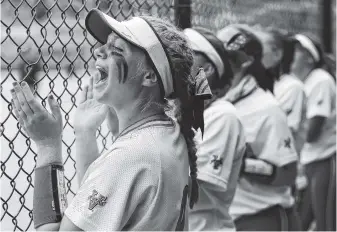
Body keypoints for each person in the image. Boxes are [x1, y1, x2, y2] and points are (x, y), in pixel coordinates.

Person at [10, 9, 213, 231]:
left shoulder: (133, 155)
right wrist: (85, 132)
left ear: (150, 76)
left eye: (116, 49)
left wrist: (48, 146)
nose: (99, 51)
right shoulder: (168, 133)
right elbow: (96, 214)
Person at [217, 25, 300, 231]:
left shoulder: (266, 108)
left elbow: (288, 173)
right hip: (222, 218)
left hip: (258, 217)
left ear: (244, 62)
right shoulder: (208, 102)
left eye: (222, 53)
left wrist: (243, 164)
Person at [183, 27, 246, 231]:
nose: (176, 61)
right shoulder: (183, 112)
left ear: (207, 69)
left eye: (186, 55)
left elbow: (192, 187)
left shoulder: (222, 114)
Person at [291, 34, 336, 231]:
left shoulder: (320, 79)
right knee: (300, 223)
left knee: (327, 224)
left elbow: (311, 132)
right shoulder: (301, 83)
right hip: (309, 162)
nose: (291, 54)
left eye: (297, 50)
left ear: (310, 57)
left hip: (325, 160)